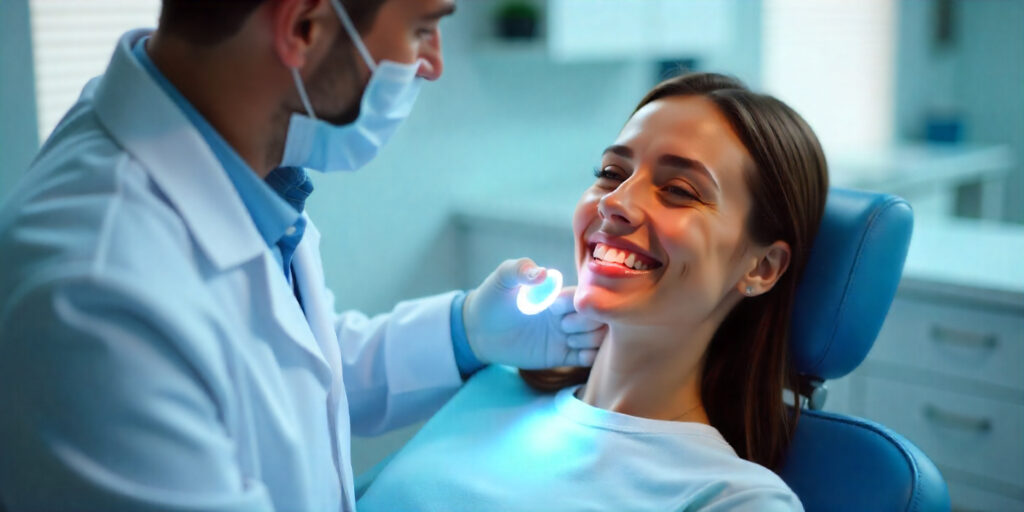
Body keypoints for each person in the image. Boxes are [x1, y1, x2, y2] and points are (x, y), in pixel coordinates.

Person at [0, 1, 606, 510]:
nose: (434, 64)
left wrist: (464, 332)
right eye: (422, 29)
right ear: (304, 26)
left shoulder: (237, 164)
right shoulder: (96, 302)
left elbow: (286, 373)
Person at [355, 72, 829, 511]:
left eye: (679, 190)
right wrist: (465, 334)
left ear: (762, 267)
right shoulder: (493, 385)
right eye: (610, 172)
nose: (615, 201)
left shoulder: (730, 498)